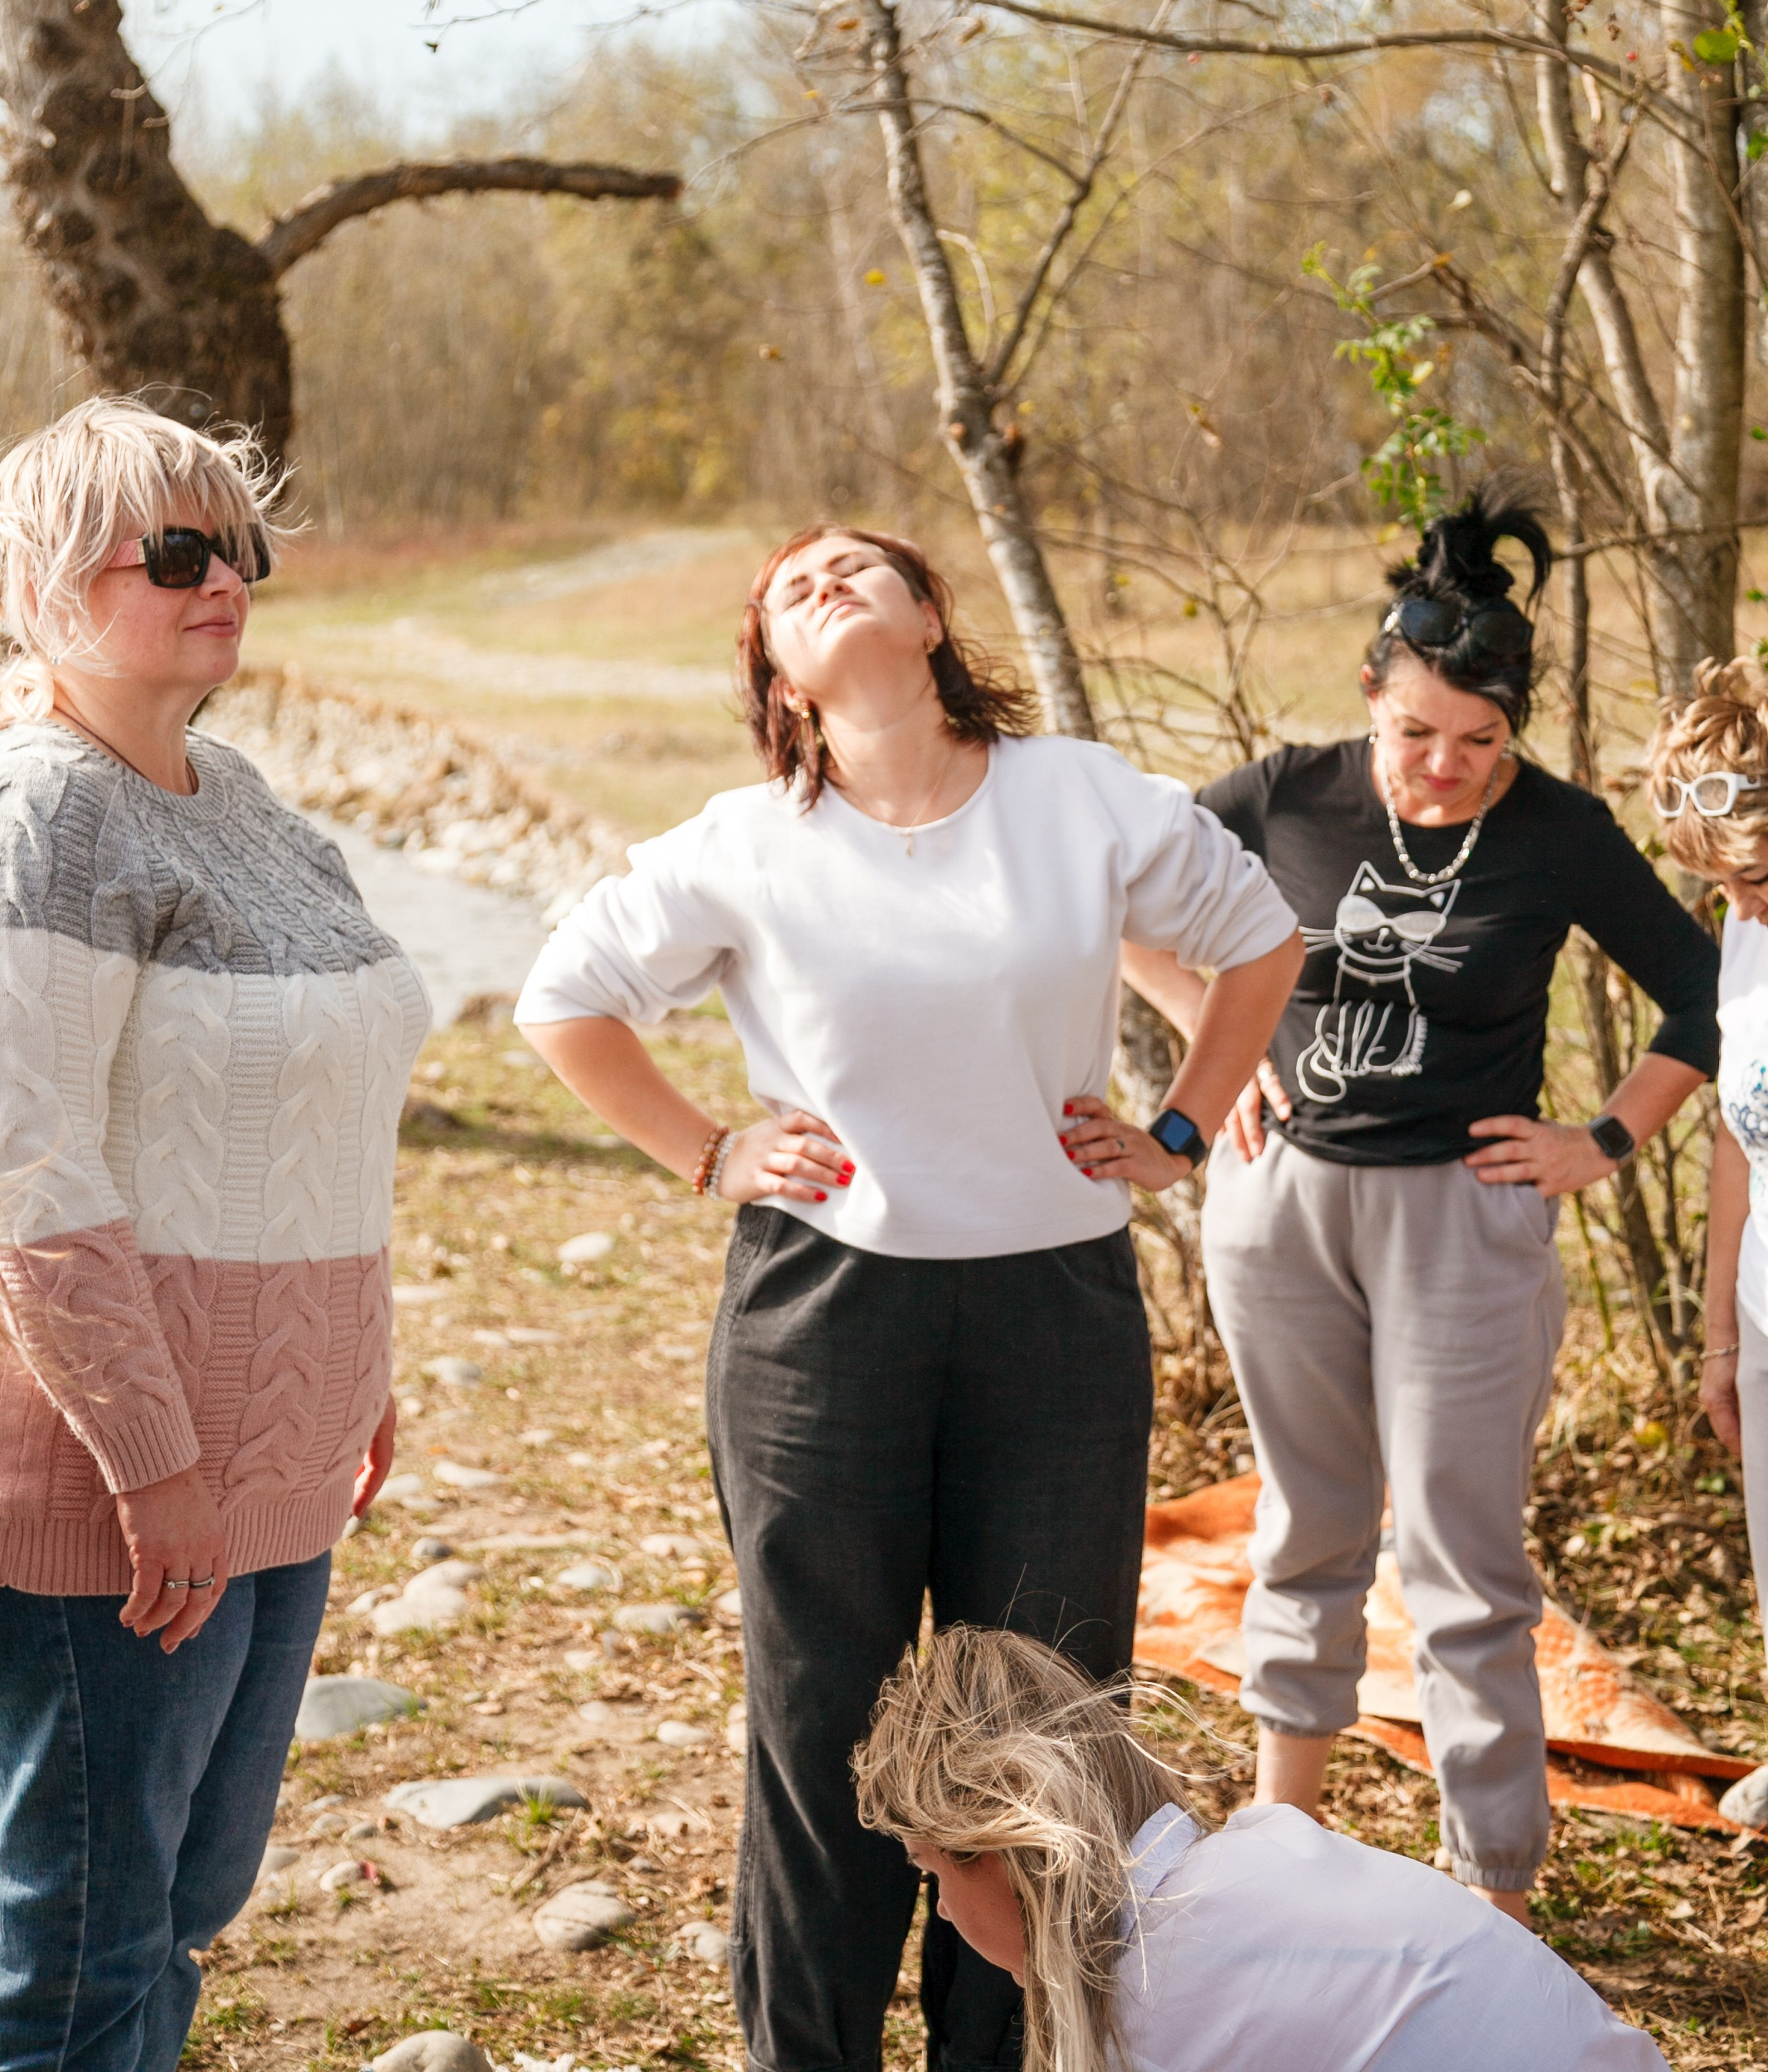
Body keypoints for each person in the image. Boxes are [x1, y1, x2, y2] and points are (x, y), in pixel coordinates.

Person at [517, 521, 1303, 2072]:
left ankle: (1004, 2054)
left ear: (932, 612)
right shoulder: (744, 841)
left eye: (858, 565)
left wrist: (1176, 1130)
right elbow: (564, 999)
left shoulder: (1075, 798)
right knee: (820, 1729)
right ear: (777, 681)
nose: (824, 580)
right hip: (821, 1326)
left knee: (1041, 1723)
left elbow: (1261, 940)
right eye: (788, 587)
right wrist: (706, 1149)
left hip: (1052, 1322)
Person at [1132, 488, 1718, 1920]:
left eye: (1479, 744)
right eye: (1413, 737)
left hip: (1463, 1222)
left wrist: (1603, 1137)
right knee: (1304, 1522)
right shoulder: (1281, 794)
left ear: (1513, 733)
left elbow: (1707, 991)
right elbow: (1121, 908)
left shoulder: (1562, 833)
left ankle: (1491, 1889)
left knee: (1461, 1555)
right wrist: (1220, 1065)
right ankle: (1284, 1849)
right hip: (1280, 1209)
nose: (1443, 771)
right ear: (1366, 702)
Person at [0, 399, 430, 2072]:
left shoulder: (237, 793)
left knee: (187, 1896)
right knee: (78, 1937)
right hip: (121, 1477)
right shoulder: (48, 812)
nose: (223, 578)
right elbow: (29, 1166)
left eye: (236, 546)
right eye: (171, 550)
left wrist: (357, 1371)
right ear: (41, 582)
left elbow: (327, 1104)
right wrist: (152, 1458)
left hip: (281, 1446)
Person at [852, 1623, 1667, 2071]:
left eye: (934, 1874)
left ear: (998, 1848)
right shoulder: (1266, 1842)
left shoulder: (1149, 2001)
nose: (948, 1917)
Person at [1644, 660, 1768, 1633]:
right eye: (1720, 885)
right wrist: (1722, 1336)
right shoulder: (1746, 929)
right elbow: (1737, 1130)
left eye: (1755, 877)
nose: (1741, 904)